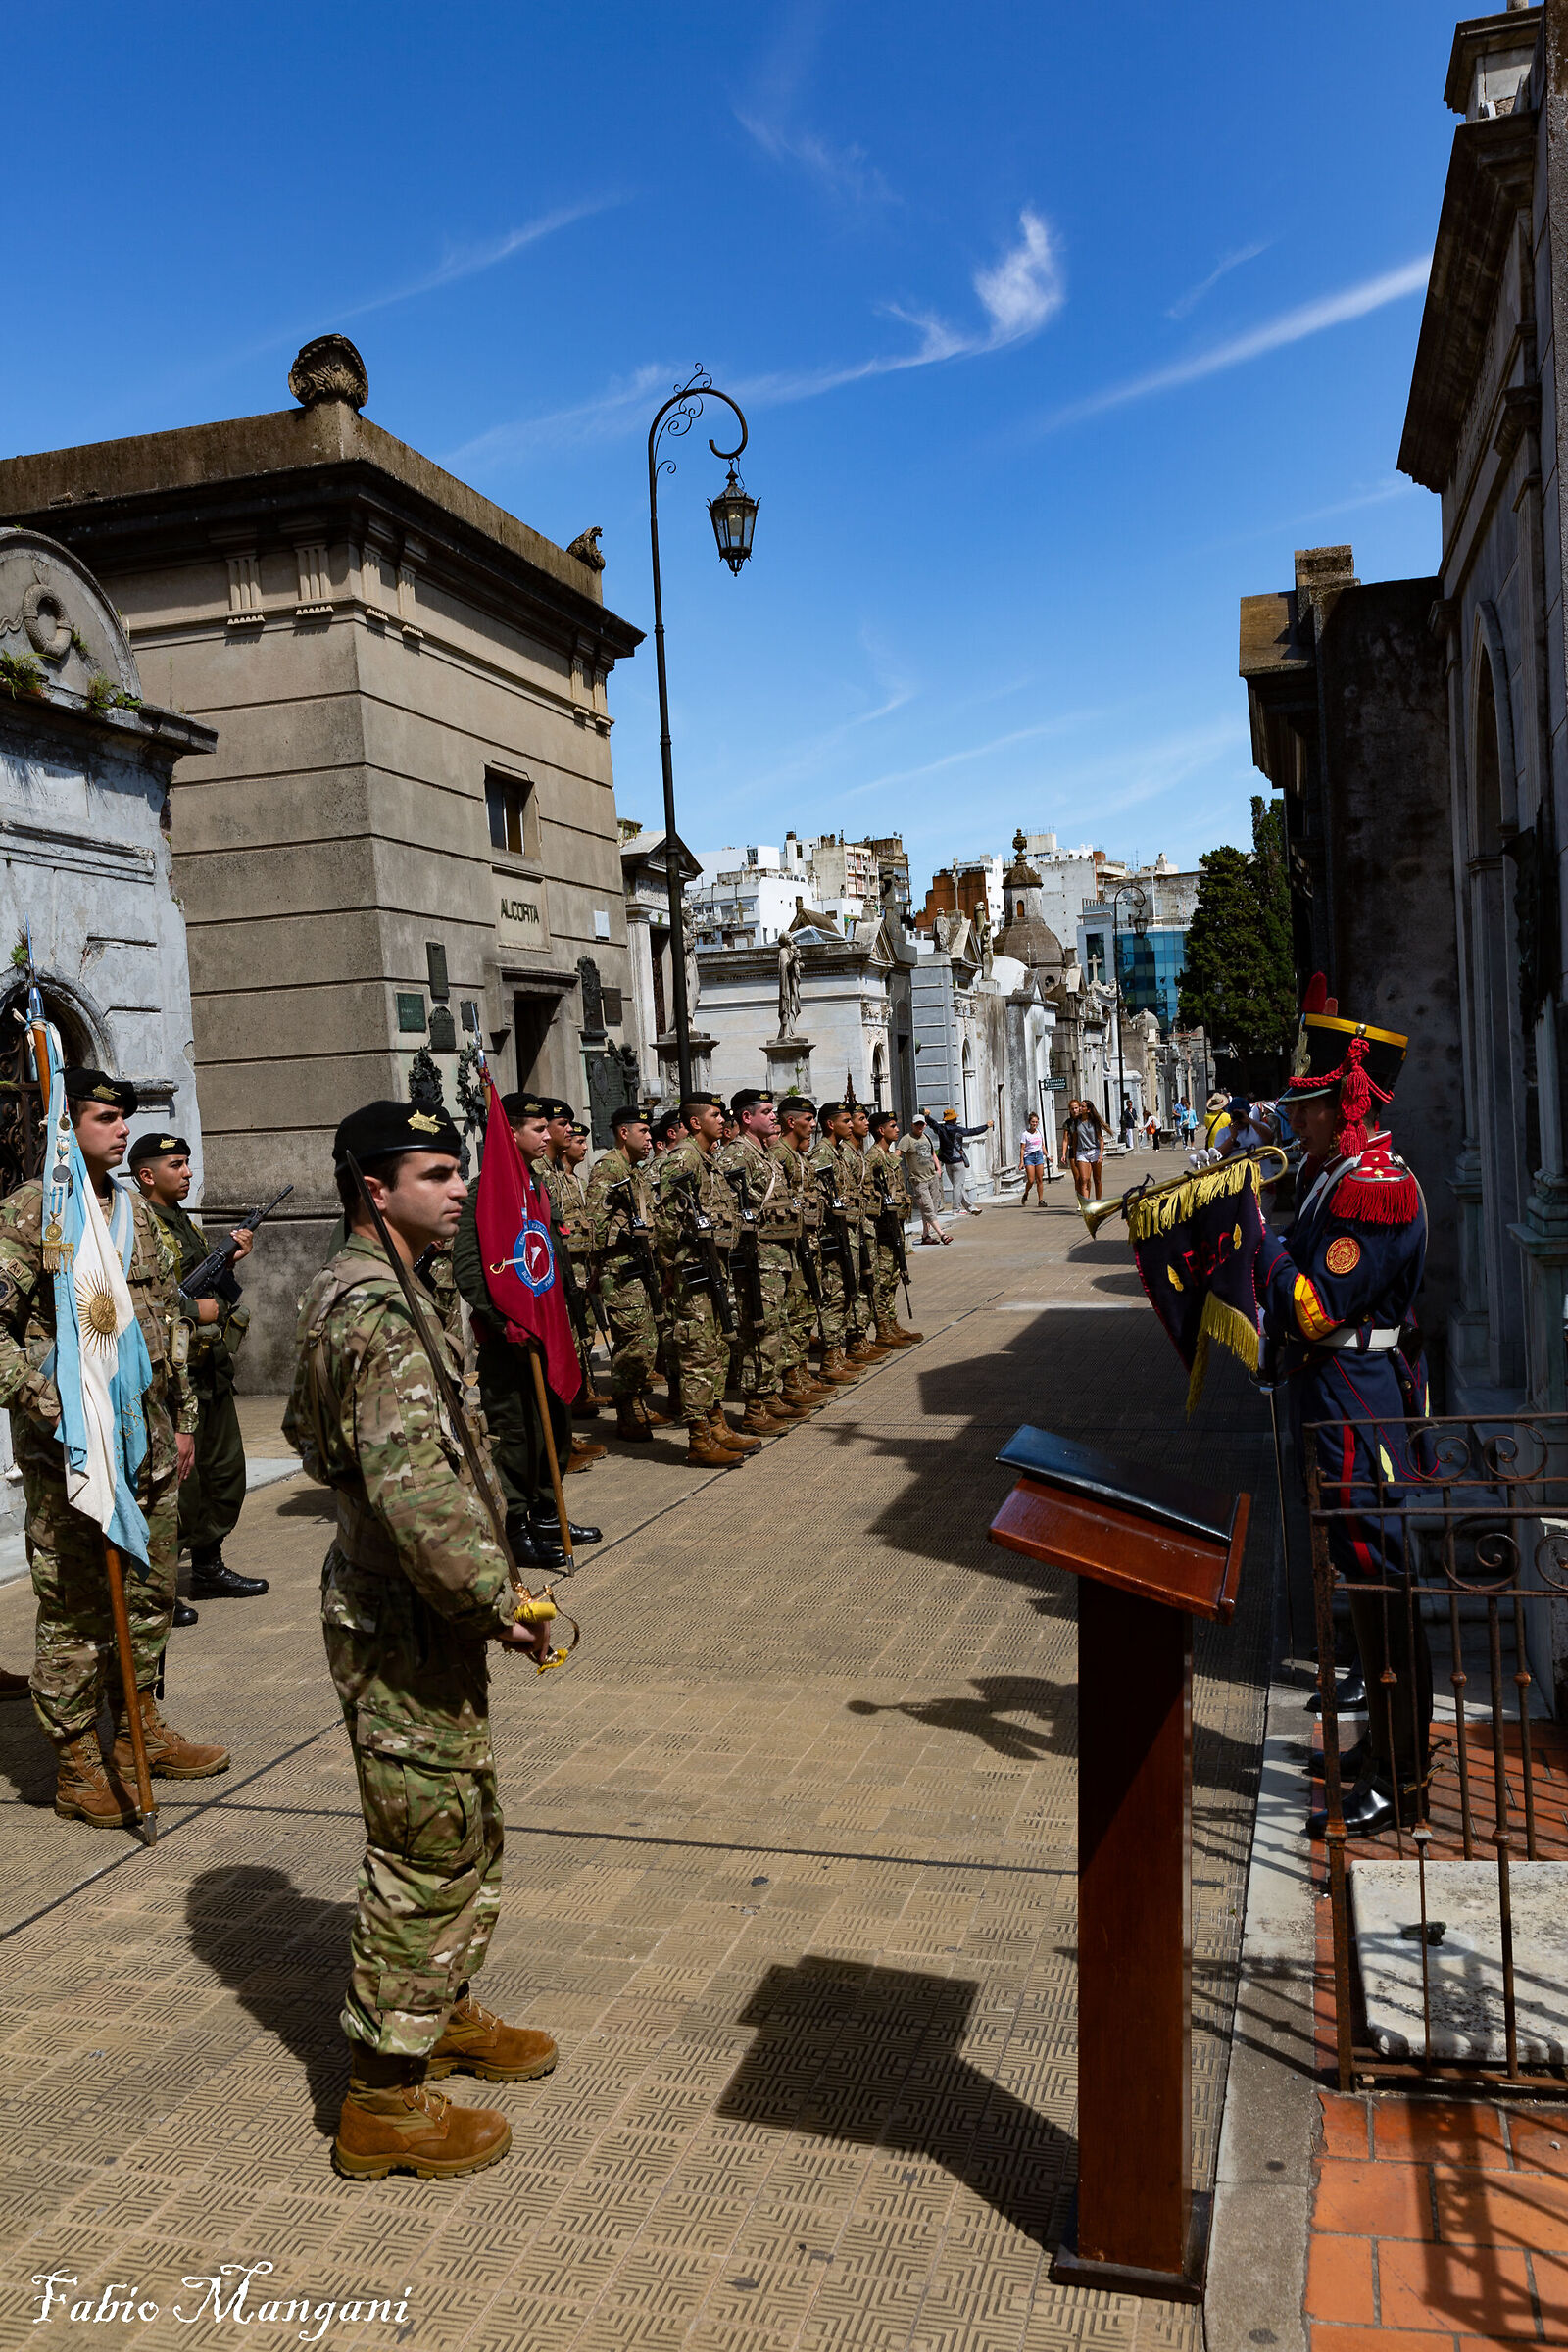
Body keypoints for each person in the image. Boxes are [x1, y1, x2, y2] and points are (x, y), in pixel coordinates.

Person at [283, 1098, 559, 2180]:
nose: (459, 1192)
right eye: (437, 1175)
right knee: (427, 1847)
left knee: (462, 1822)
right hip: (407, 1612)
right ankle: (383, 2102)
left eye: (458, 1172)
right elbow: (413, 1495)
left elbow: (322, 1444)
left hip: (420, 1607)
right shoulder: (374, 1312)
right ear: (375, 1188)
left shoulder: (407, 1290)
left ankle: (436, 2012)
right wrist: (501, 1602)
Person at [0, 1069, 227, 1829]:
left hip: (151, 1443)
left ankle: (138, 1733)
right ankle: (75, 1762)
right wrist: (44, 1397)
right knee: (74, 1609)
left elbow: (169, 1320)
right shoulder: (35, 1212)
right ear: (68, 1126)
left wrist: (187, 1417)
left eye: (126, 1117)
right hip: (71, 1449)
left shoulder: (135, 1210)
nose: (122, 1129)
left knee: (149, 1593)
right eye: (106, 1117)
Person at [1258, 991, 1433, 1842]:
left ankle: (1402, 1780)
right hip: (1339, 1391)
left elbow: (1319, 1307)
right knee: (1365, 1577)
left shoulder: (1374, 1187)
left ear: (1341, 1106)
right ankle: (1378, 1754)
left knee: (1383, 1581)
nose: (1298, 1120)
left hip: (1357, 1393)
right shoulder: (1334, 1175)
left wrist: (1264, 1244)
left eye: (1308, 1105)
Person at [451, 1094, 599, 1571]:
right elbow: (471, 1270)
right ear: (510, 1132)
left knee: (552, 1429)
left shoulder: (534, 1185)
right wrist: (504, 1322)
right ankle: (514, 1528)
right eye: (537, 1128)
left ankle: (548, 1515)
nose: (546, 1135)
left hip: (545, 1332)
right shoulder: (486, 1193)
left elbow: (545, 1256)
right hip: (509, 1341)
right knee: (517, 1438)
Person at [128, 1132, 266, 1614]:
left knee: (223, 1472)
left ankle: (208, 1568)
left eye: (188, 1163)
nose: (188, 1172)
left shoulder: (184, 1223)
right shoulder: (135, 1224)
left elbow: (216, 1293)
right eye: (177, 1165)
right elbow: (146, 1296)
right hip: (173, 1374)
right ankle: (158, 1588)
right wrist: (196, 1309)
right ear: (147, 1175)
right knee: (177, 1483)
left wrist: (228, 1263)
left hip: (210, 1368)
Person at [655, 1094, 755, 1467]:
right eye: (715, 1115)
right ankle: (698, 1438)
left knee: (716, 1346)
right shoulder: (684, 1158)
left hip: (713, 1265)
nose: (722, 1119)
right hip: (692, 1268)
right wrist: (669, 1267)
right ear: (695, 1122)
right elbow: (665, 1219)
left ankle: (716, 1425)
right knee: (698, 1351)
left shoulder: (707, 1158)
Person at [713, 1089, 808, 1431]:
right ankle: (754, 1407)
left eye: (772, 1110)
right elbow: (725, 1207)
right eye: (766, 1111)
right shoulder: (736, 1156)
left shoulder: (763, 1154)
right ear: (746, 1117)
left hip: (776, 1257)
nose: (773, 1116)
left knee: (775, 1329)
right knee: (758, 1331)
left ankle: (769, 1395)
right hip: (756, 1260)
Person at [586, 1104, 666, 1444]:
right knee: (634, 1341)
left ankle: (636, 1399)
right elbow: (593, 1224)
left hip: (640, 1266)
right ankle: (627, 1409)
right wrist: (625, 1234)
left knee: (646, 1339)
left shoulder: (634, 1170)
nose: (649, 1138)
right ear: (624, 1133)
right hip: (619, 1270)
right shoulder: (608, 1168)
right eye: (643, 1132)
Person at [769, 1097, 833, 1408]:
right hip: (791, 1247)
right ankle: (791, 1377)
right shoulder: (779, 1154)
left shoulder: (797, 1155)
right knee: (792, 1315)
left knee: (805, 1311)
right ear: (791, 1121)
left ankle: (800, 1372)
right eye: (808, 1119)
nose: (813, 1124)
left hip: (807, 1244)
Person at [807, 1103, 865, 1385]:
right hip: (832, 1235)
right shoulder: (821, 1154)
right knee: (835, 1294)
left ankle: (837, 1354)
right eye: (846, 1121)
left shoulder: (840, 1152)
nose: (852, 1125)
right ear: (831, 1125)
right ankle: (830, 1357)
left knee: (846, 1292)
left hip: (848, 1231)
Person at [864, 1111, 922, 1346]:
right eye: (892, 1126)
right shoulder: (874, 1158)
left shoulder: (889, 1156)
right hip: (882, 1228)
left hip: (895, 1225)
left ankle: (891, 1322)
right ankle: (883, 1329)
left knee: (893, 1277)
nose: (897, 1129)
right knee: (883, 1278)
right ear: (880, 1130)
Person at [898, 1110, 948, 1245]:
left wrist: (938, 1170)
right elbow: (897, 1155)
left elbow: (933, 1154)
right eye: (917, 1124)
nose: (919, 1127)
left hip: (932, 1177)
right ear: (912, 1125)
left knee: (932, 1208)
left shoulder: (926, 1137)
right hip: (919, 1180)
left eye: (922, 1124)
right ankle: (942, 1234)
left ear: (925, 1125)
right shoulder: (907, 1139)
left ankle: (926, 1236)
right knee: (928, 1207)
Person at [932, 1107, 991, 1217]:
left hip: (947, 1162)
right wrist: (986, 1126)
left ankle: (970, 1207)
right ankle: (956, 1209)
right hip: (958, 1161)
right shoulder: (957, 1130)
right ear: (953, 1119)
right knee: (958, 1186)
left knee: (958, 1186)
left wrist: (926, 1116)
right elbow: (972, 1131)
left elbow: (933, 1123)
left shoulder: (940, 1129)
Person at [1063, 1098, 1110, 1201]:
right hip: (1082, 1152)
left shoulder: (1094, 1122)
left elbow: (1101, 1139)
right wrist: (1075, 1156)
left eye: (1082, 1106)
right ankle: (1087, 1205)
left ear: (1088, 1110)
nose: (1080, 1108)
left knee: (1097, 1179)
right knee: (1084, 1179)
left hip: (1095, 1151)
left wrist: (1101, 1154)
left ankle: (1098, 1202)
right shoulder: (1076, 1122)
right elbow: (1075, 1140)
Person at [1018, 1113, 1049, 1205]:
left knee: (1040, 1179)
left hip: (1038, 1156)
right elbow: (1022, 1148)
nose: (1034, 1124)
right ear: (1029, 1123)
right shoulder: (1025, 1134)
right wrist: (1021, 1162)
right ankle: (1026, 1193)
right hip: (1029, 1157)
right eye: (1032, 1122)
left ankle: (1040, 1200)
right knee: (1031, 1180)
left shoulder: (1039, 1132)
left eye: (1036, 1122)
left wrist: (1047, 1155)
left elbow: (1042, 1145)